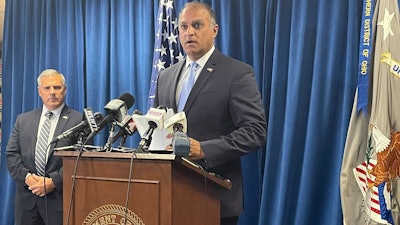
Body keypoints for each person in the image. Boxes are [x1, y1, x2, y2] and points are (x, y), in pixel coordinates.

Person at [154, 2, 267, 225]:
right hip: (168, 197)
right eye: (184, 27)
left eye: (197, 25)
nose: (189, 32)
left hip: (215, 198)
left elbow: (256, 132)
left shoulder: (236, 73)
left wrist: (205, 149)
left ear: (214, 30)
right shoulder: (166, 76)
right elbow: (161, 129)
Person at [6, 69, 83, 225]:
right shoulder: (23, 120)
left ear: (65, 90)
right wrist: (28, 178)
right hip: (27, 201)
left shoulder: (79, 120)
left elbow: (81, 159)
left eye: (57, 87)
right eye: (47, 88)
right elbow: (12, 154)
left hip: (60, 201)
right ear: (39, 91)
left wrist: (53, 182)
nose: (52, 92)